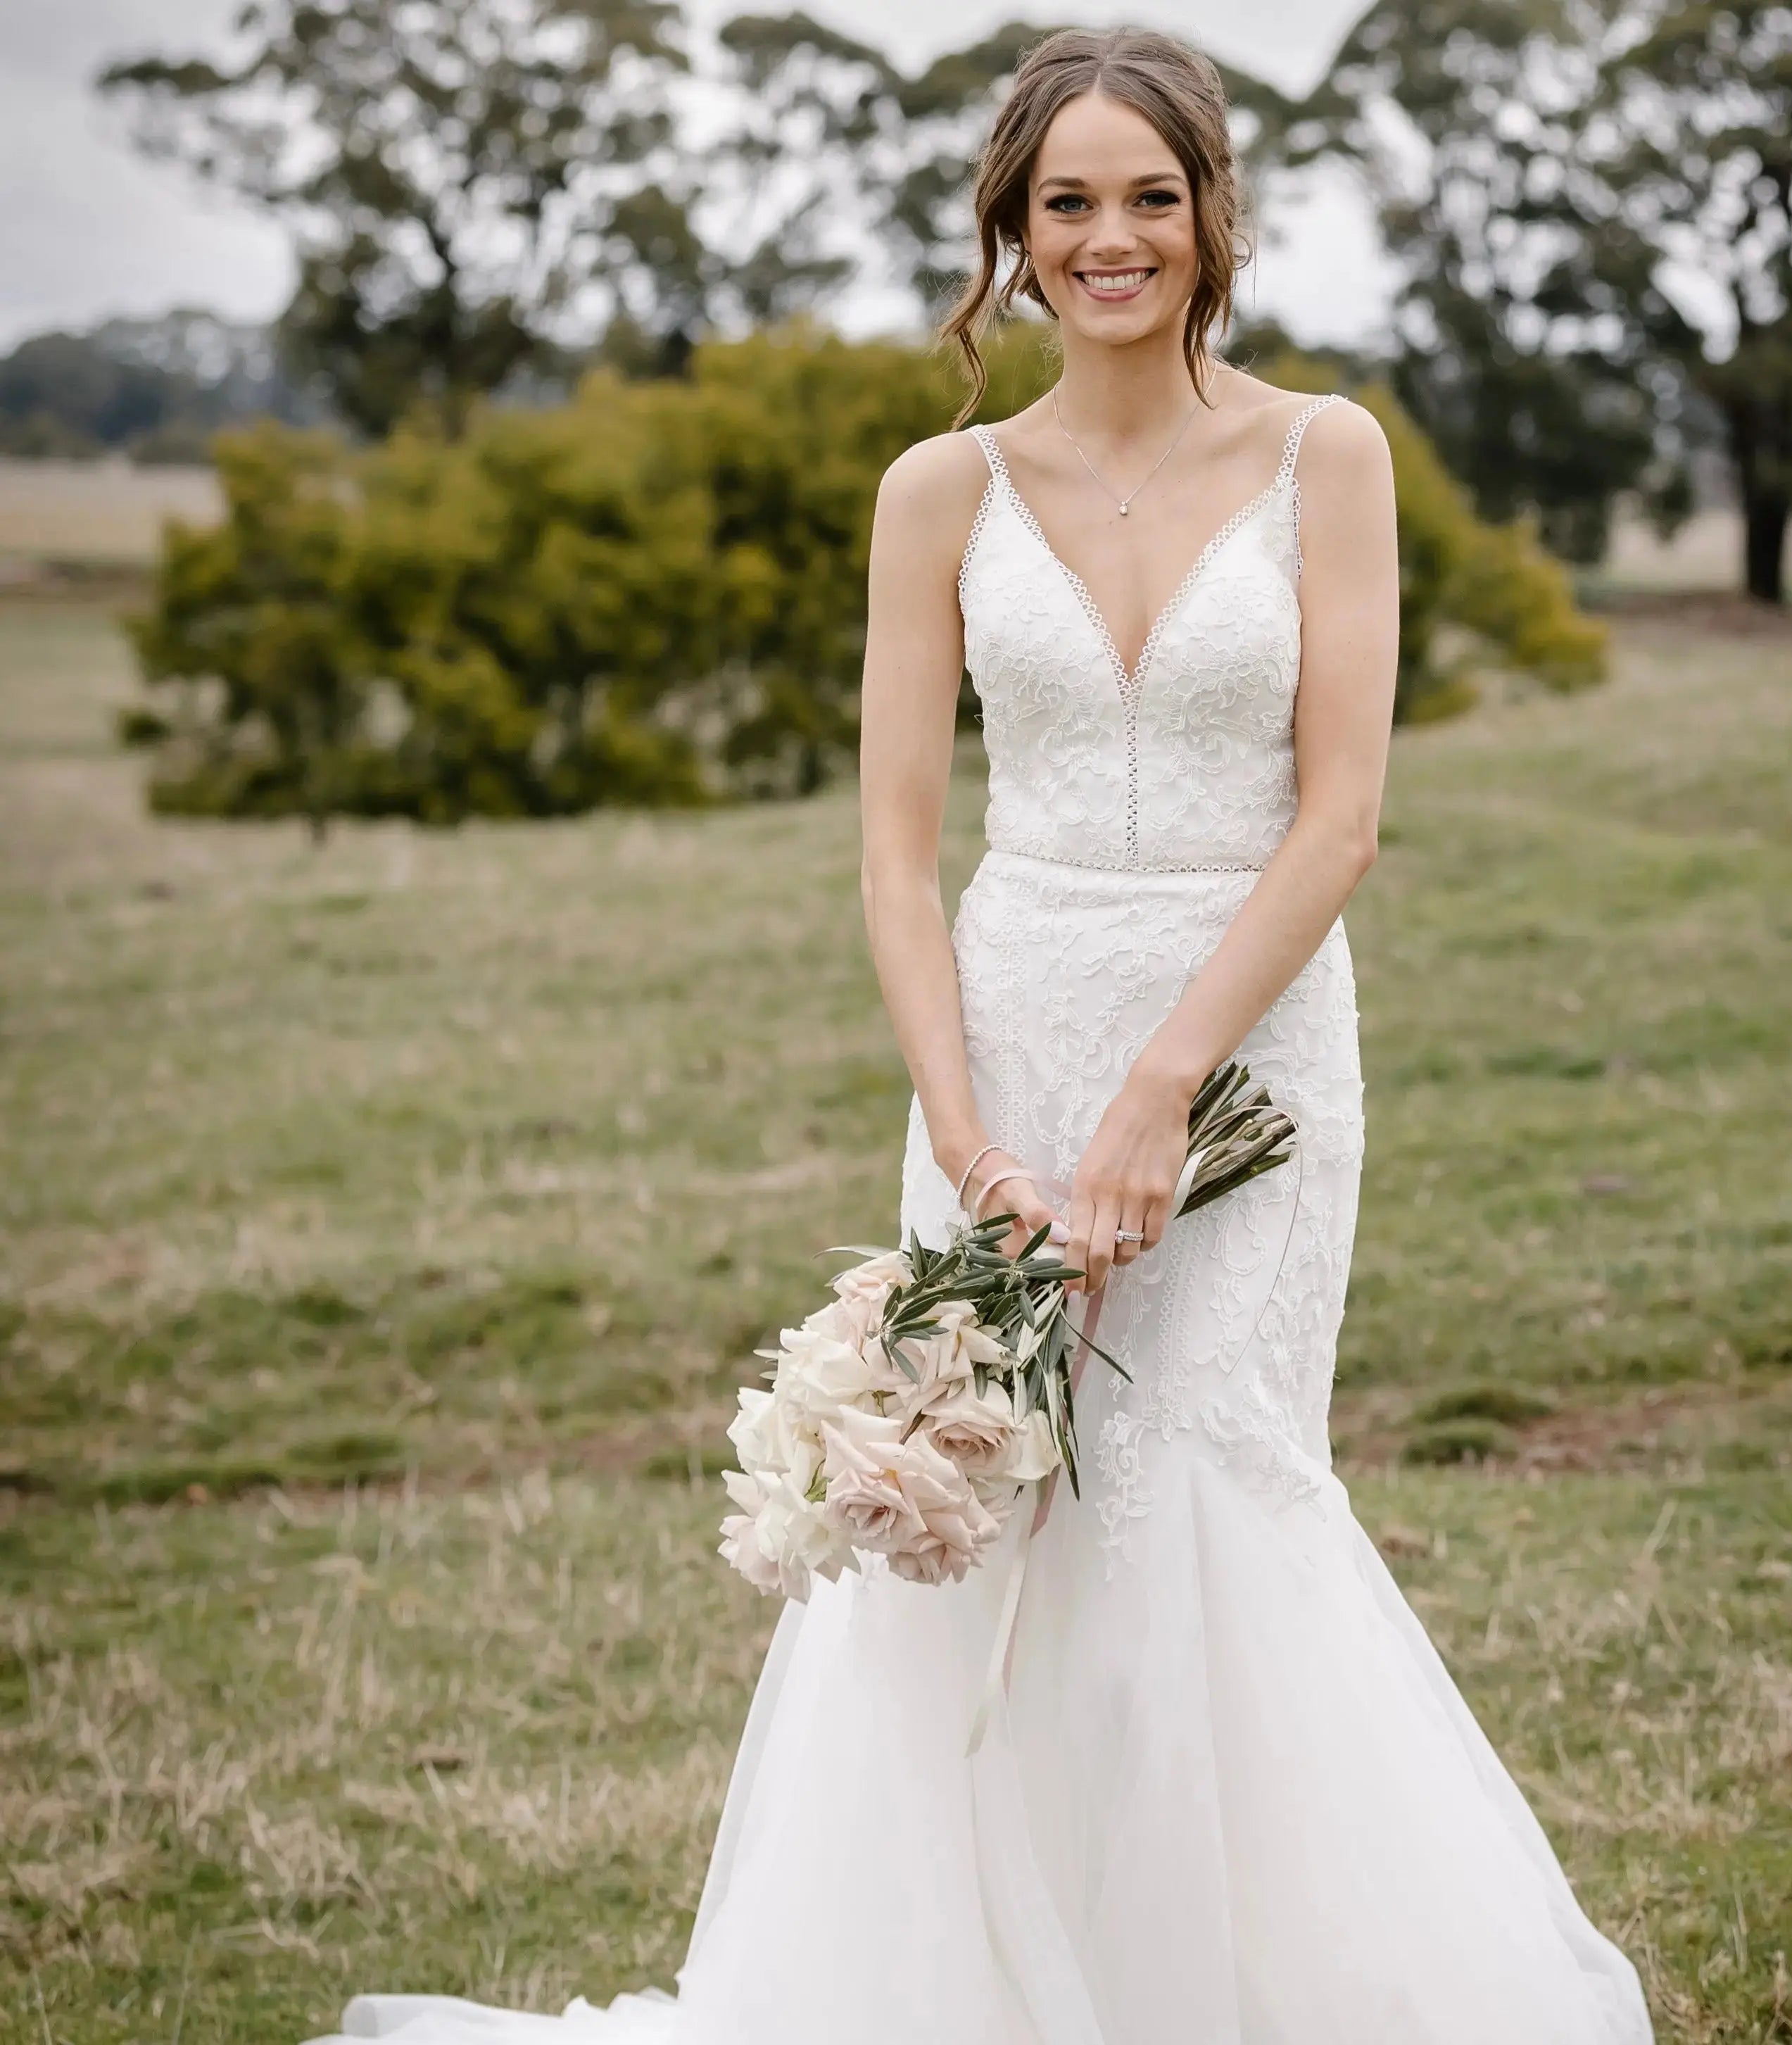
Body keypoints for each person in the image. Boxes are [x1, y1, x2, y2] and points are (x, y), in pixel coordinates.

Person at [314, 26, 1655, 2044]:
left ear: (1210, 215)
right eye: (1065, 203)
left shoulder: (1327, 456)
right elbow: (890, 852)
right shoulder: (940, 488)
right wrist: (967, 1132)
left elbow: (1342, 816)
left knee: (1199, 1485)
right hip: (1005, 1046)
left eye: (1148, 195)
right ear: (1008, 237)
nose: (1109, 238)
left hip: (1249, 1045)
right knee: (996, 1508)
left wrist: (1157, 1093)